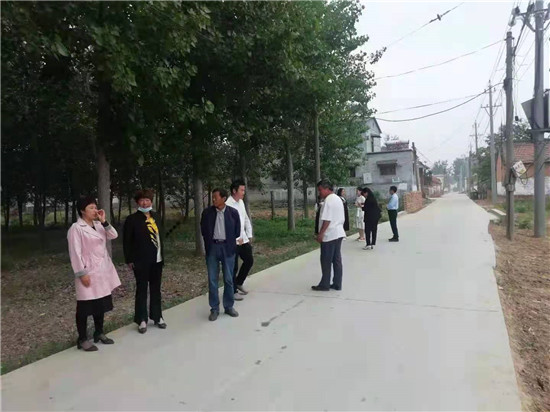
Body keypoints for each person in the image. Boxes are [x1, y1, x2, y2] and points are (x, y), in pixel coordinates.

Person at [67, 196, 121, 352]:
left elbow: (114, 235)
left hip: (102, 270)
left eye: (95, 207)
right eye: (91, 208)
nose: (94, 210)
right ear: (82, 211)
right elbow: (75, 253)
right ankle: (82, 339)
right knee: (84, 307)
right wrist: (81, 273)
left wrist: (104, 221)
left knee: (100, 304)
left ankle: (99, 332)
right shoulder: (76, 228)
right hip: (88, 271)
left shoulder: (98, 225)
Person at [123, 189, 166, 334]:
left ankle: (157, 316)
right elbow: (127, 241)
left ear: (151, 201)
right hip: (141, 260)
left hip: (157, 259)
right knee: (142, 289)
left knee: (156, 288)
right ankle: (142, 319)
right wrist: (129, 259)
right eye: (142, 200)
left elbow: (160, 236)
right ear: (137, 202)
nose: (145, 203)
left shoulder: (156, 216)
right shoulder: (132, 219)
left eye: (147, 200)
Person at [201, 188, 241, 321]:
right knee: (212, 280)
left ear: (223, 199)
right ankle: (214, 308)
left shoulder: (233, 213)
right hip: (212, 247)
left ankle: (229, 306)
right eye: (212, 197)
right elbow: (203, 230)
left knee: (228, 279)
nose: (213, 200)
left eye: (215, 197)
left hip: (227, 248)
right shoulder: (207, 213)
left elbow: (237, 231)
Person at [312, 179, 346, 291]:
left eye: (320, 190)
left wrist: (321, 234)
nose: (319, 192)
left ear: (327, 189)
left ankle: (325, 284)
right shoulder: (337, 198)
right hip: (338, 232)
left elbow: (327, 220)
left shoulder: (329, 200)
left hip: (330, 234)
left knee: (326, 260)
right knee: (336, 260)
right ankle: (337, 283)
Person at [226, 179, 254, 299]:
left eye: (244, 190)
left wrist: (249, 234)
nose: (244, 192)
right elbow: (228, 226)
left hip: (243, 239)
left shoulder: (241, 202)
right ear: (234, 191)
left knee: (249, 260)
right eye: (241, 190)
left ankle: (238, 282)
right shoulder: (227, 205)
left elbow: (245, 218)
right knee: (233, 267)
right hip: (233, 241)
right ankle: (232, 292)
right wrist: (236, 239)